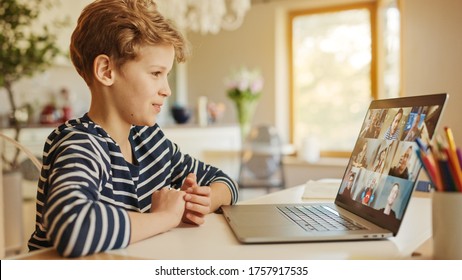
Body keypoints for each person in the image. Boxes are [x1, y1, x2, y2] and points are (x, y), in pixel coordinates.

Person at [27, 0, 238, 258]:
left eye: (167, 75)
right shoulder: (80, 144)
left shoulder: (150, 140)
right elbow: (74, 227)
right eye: (155, 73)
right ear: (106, 71)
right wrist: (165, 217)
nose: (167, 90)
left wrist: (204, 200)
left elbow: (225, 182)